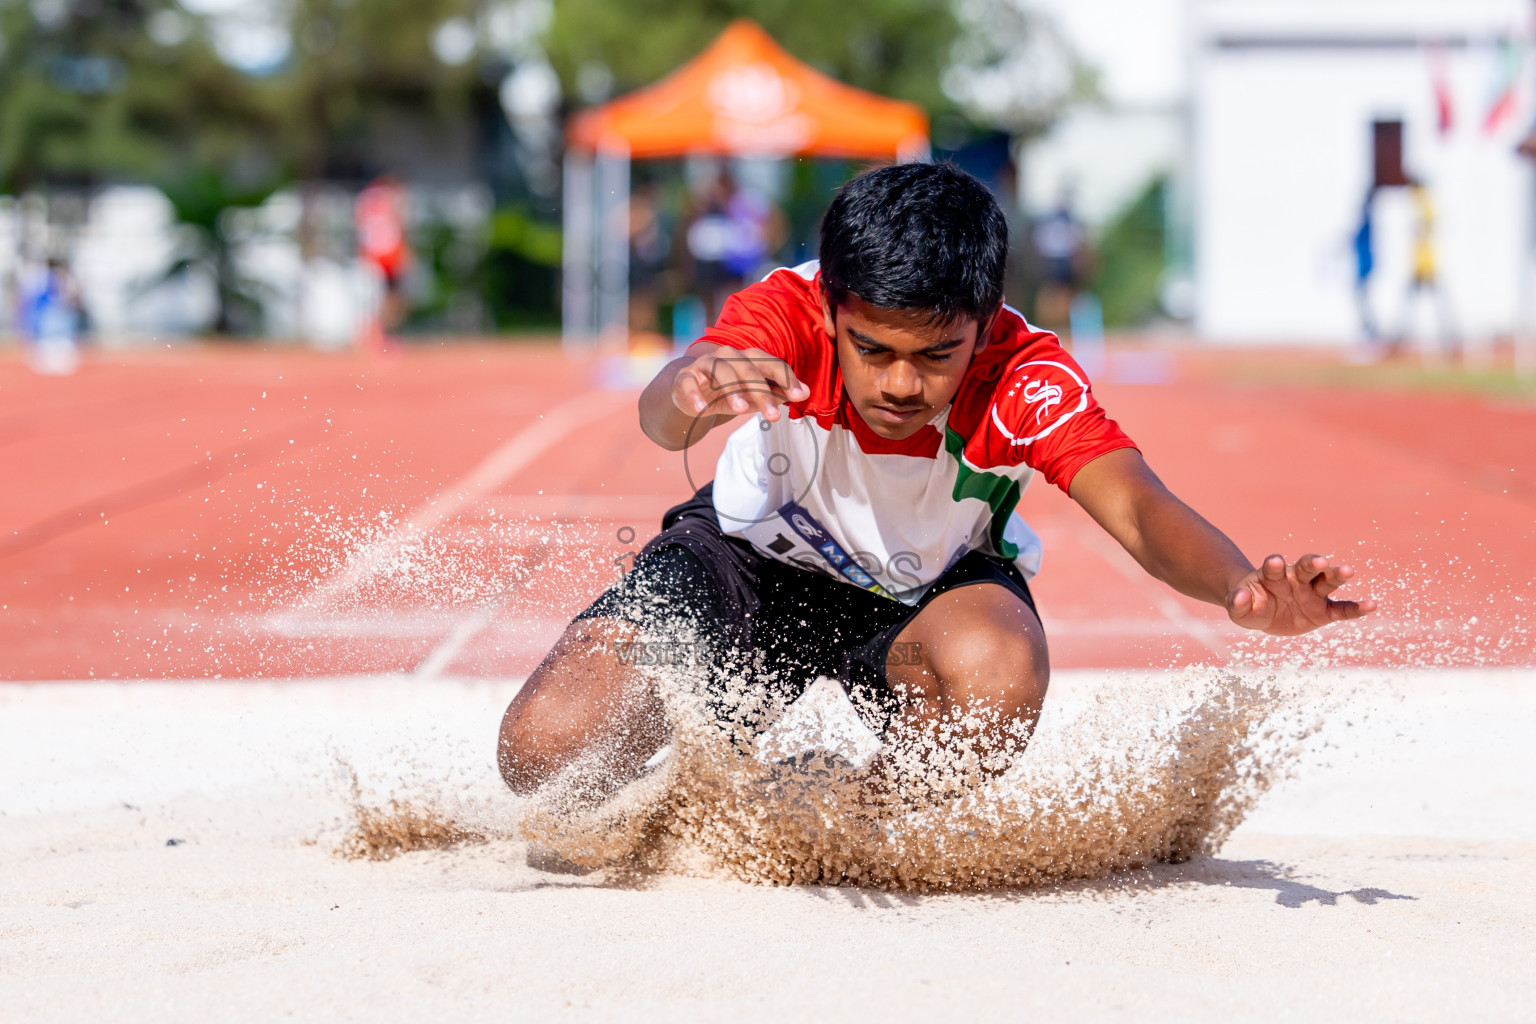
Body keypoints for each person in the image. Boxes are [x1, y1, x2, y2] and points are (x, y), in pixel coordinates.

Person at [498, 163, 1375, 806]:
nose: (900, 386)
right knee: (544, 750)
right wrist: (685, 392)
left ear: (983, 325)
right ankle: (673, 785)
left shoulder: (1023, 372)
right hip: (749, 571)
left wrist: (1238, 588)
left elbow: (1138, 506)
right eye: (871, 349)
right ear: (833, 308)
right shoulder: (786, 312)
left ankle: (838, 811)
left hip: (921, 607)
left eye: (935, 356)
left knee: (993, 681)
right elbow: (665, 419)